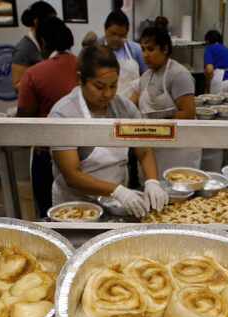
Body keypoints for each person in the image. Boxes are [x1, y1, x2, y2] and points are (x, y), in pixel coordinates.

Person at [49, 46, 168, 217]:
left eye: (113, 86)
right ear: (80, 79)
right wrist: (118, 191)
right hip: (76, 207)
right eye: (99, 86)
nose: (107, 94)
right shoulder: (64, 114)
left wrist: (152, 181)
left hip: (116, 204)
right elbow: (72, 176)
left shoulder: (123, 107)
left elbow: (144, 149)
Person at [17, 17, 78, 217]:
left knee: (49, 212)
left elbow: (24, 119)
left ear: (42, 42)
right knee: (83, 210)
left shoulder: (34, 74)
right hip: (84, 148)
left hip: (47, 152)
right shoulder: (83, 66)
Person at [130, 26, 200, 172]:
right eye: (143, 49)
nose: (145, 55)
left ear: (165, 49)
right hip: (154, 148)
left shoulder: (178, 75)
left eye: (150, 49)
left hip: (177, 152)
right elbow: (131, 104)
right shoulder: (146, 76)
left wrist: (157, 119)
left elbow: (188, 114)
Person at [11, 1, 57, 93]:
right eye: (50, 21)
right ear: (36, 22)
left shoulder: (47, 43)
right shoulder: (23, 49)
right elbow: (17, 87)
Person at [101, 10, 146, 97]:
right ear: (105, 29)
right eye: (113, 34)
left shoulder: (136, 50)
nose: (117, 39)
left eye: (122, 36)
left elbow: (146, 78)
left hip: (133, 103)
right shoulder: (96, 50)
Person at [203, 30, 228, 95]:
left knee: (215, 104)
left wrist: (207, 87)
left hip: (222, 81)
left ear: (207, 41)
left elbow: (209, 70)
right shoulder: (227, 50)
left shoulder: (210, 49)